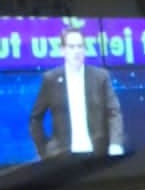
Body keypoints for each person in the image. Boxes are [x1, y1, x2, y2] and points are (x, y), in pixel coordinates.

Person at [29, 26, 126, 159]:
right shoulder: (51, 79)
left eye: (80, 46)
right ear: (63, 50)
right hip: (63, 157)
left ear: (85, 50)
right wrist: (44, 151)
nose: (76, 51)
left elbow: (114, 113)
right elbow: (35, 119)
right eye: (71, 47)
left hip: (98, 155)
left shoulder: (100, 77)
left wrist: (115, 144)